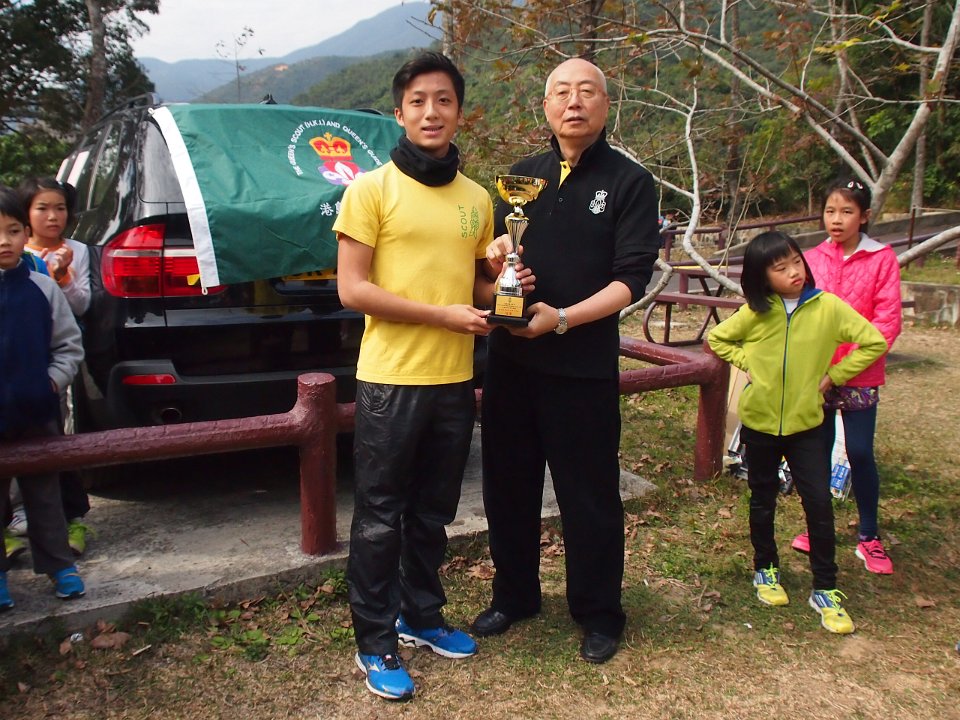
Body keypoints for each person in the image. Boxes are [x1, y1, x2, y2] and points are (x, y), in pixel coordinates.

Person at [472, 57, 660, 664]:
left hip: (581, 366)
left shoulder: (630, 182)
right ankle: (514, 595)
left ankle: (599, 613)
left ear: (606, 104)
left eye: (586, 92)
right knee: (508, 488)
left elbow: (631, 280)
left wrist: (563, 318)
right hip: (511, 363)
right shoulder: (518, 179)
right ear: (546, 106)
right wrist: (498, 264)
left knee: (589, 495)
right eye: (561, 92)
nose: (573, 102)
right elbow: (489, 271)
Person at [332, 51, 496, 701]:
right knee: (380, 516)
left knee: (433, 511)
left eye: (444, 100)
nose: (432, 112)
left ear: (460, 113)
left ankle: (420, 615)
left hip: (453, 378)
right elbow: (352, 289)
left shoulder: (477, 198)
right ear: (399, 114)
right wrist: (442, 315)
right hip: (391, 379)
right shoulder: (370, 190)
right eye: (419, 101)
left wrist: (507, 282)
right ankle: (374, 640)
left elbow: (478, 286)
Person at [708, 231, 887, 634]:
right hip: (760, 423)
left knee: (819, 503)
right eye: (780, 267)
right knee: (763, 498)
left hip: (808, 425)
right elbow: (717, 338)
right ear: (762, 276)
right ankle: (765, 568)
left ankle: (825, 587)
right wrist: (749, 363)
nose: (793, 272)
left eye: (796, 262)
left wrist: (834, 375)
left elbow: (873, 341)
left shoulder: (828, 308)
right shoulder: (756, 312)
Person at [791, 178, 902, 575]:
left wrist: (841, 370)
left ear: (865, 216)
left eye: (847, 212)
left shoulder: (882, 259)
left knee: (859, 452)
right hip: (815, 376)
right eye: (830, 211)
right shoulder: (811, 258)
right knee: (816, 454)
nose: (836, 220)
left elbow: (886, 323)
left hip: (860, 374)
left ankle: (869, 535)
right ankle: (817, 528)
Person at [0, 185, 86, 612]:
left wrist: (51, 383)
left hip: (37, 412)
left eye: (13, 231)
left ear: (25, 233)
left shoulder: (41, 286)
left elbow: (68, 345)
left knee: (45, 494)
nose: (4, 241)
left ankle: (60, 566)